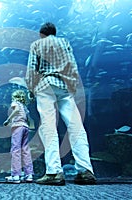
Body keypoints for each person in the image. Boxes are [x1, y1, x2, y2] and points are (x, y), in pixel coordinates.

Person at [25, 22, 96, 185]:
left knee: (48, 127)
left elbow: (32, 69)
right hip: (65, 86)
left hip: (46, 86)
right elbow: (72, 66)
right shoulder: (64, 42)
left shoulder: (37, 44)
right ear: (54, 33)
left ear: (41, 34)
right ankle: (85, 171)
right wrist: (74, 87)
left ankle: (54, 172)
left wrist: (31, 89)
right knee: (76, 126)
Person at [3, 90, 34, 184]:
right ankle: (29, 174)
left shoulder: (15, 103)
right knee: (25, 150)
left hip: (17, 127)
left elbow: (16, 110)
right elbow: (27, 118)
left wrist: (8, 120)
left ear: (15, 97)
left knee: (15, 150)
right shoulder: (24, 107)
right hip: (25, 127)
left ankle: (16, 175)